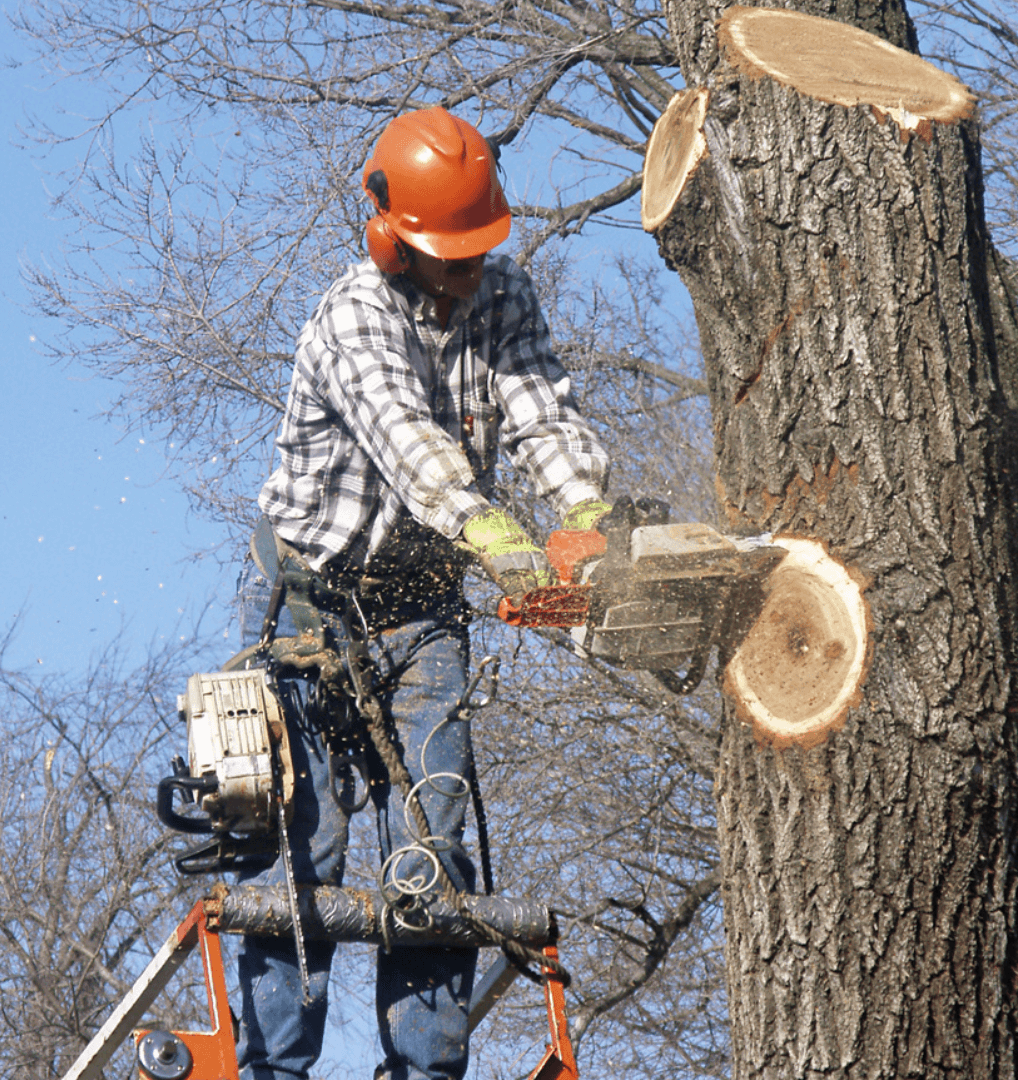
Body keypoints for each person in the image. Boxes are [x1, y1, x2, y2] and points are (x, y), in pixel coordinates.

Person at [237, 106, 612, 1080]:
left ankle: (427, 1070)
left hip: (425, 612)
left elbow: (541, 407)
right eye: (456, 256)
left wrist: (583, 520)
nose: (474, 272)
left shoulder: (503, 297)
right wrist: (500, 540)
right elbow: (414, 449)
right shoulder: (351, 317)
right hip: (310, 613)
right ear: (392, 243)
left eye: (483, 249)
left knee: (436, 853)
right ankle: (274, 1069)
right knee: (300, 856)